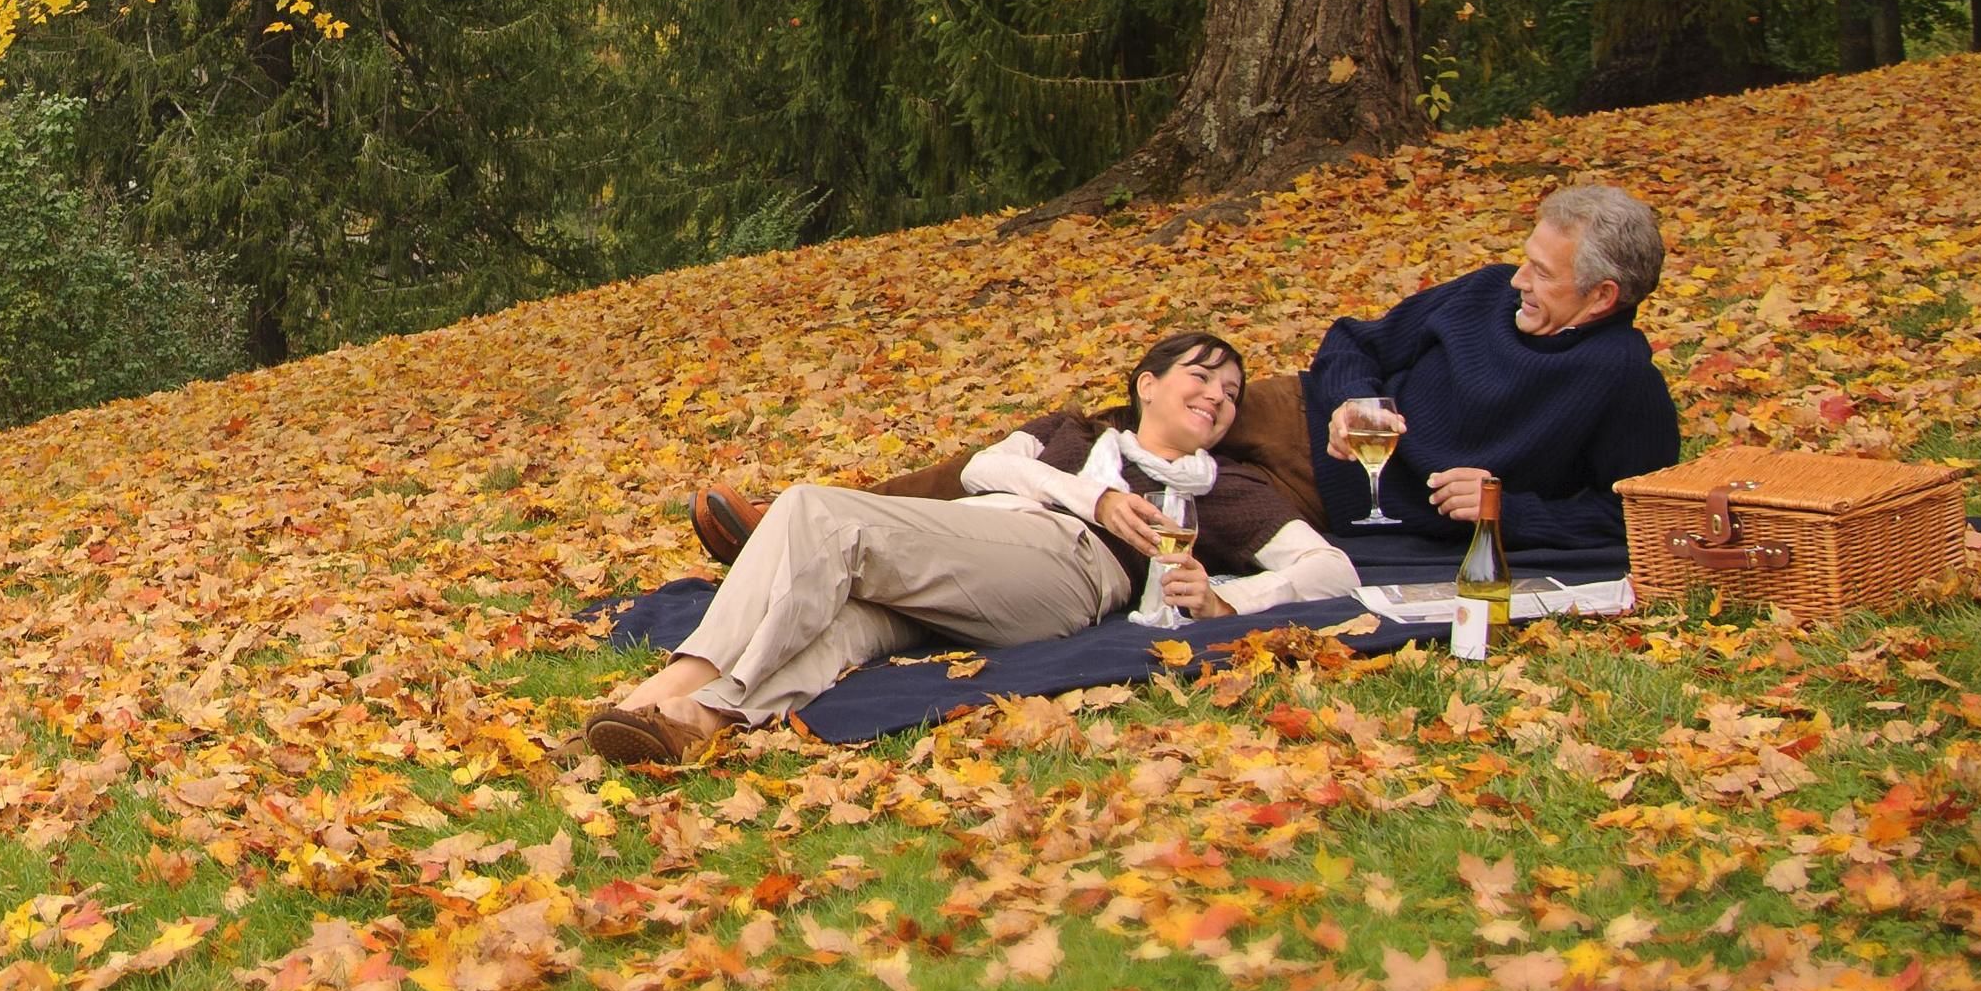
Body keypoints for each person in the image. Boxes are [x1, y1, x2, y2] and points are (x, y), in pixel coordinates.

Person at [589, 332, 1362, 766]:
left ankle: (661, 691)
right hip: (971, 550)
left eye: (1231, 393)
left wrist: (1226, 599)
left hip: (1065, 568)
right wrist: (1094, 494)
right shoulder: (1074, 434)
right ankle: (694, 723)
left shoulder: (1224, 488)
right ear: (1148, 385)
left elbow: (1330, 569)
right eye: (1203, 377)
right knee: (842, 621)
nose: (1219, 398)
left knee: (812, 513)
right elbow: (986, 469)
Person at [1302, 184, 1682, 559]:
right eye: (1527, 261)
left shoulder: (1625, 379)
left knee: (1266, 530)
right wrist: (1355, 402)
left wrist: (1509, 511)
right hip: (1307, 422)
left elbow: (1632, 513)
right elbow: (1355, 340)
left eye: (1542, 272)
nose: (1519, 280)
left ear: (1602, 296)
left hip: (1335, 498)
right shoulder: (1489, 289)